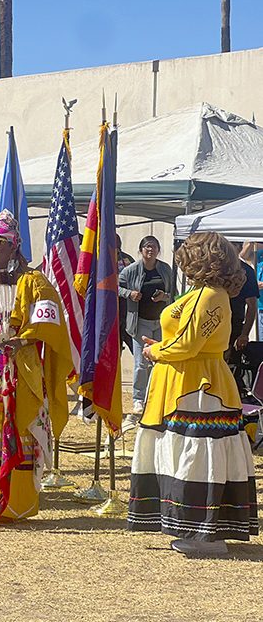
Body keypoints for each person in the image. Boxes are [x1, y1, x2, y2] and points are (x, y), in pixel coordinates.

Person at [128, 232, 258, 555]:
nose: (182, 258)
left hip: (201, 386)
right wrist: (160, 350)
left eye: (189, 253)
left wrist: (158, 352)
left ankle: (206, 534)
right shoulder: (203, 292)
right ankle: (193, 528)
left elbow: (190, 343)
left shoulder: (212, 296)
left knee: (199, 455)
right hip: (183, 383)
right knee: (185, 452)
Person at [0, 210, 72, 526]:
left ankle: (15, 505)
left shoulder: (32, 281)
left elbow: (50, 320)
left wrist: (21, 340)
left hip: (15, 369)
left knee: (13, 431)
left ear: (13, 245)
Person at [118, 236, 173, 428]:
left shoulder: (165, 269)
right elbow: (115, 286)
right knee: (141, 363)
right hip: (139, 322)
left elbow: (173, 293)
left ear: (158, 250)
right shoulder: (131, 270)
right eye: (147, 247)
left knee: (159, 361)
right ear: (141, 250)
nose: (150, 250)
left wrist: (164, 297)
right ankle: (138, 399)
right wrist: (129, 294)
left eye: (154, 247)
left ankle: (157, 396)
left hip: (161, 323)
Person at [227, 242, 260, 396]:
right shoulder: (216, 268)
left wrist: (244, 334)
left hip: (234, 325)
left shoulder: (246, 271)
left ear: (239, 249)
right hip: (212, 324)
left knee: (231, 366)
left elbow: (252, 306)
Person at [116, 234, 135, 352]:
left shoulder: (127, 259)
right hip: (111, 309)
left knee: (135, 345)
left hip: (128, 308)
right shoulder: (101, 260)